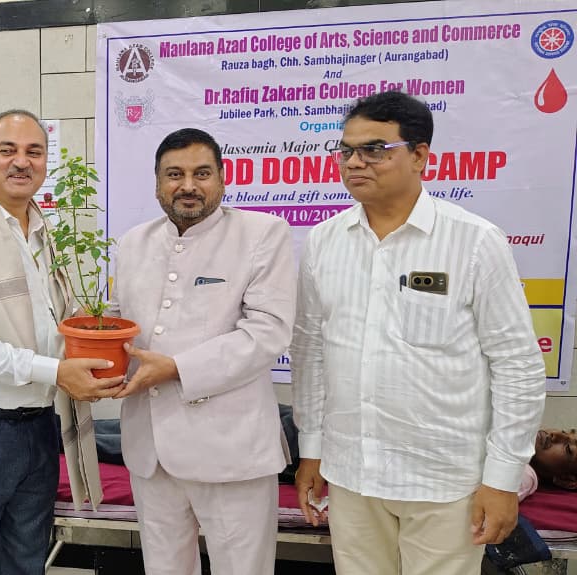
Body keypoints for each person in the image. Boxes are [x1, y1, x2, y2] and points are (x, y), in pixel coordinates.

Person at [291, 91, 547, 574]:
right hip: (351, 474)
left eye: (374, 149)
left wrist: (501, 478)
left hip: (444, 480)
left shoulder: (474, 241)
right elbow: (310, 351)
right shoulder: (324, 240)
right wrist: (312, 452)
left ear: (420, 155)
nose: (354, 162)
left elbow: (517, 365)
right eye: (346, 150)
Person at [0, 109, 125, 575]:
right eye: (7, 150)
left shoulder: (44, 234)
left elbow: (55, 322)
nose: (21, 162)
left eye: (34, 151)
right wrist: (57, 372)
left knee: (26, 562)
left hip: (38, 424)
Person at [114, 128, 295, 575]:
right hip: (151, 451)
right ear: (157, 182)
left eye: (202, 173)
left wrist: (176, 368)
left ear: (222, 178)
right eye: (174, 174)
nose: (188, 186)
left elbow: (267, 332)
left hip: (231, 450)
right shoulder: (133, 242)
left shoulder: (262, 234)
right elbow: (120, 321)